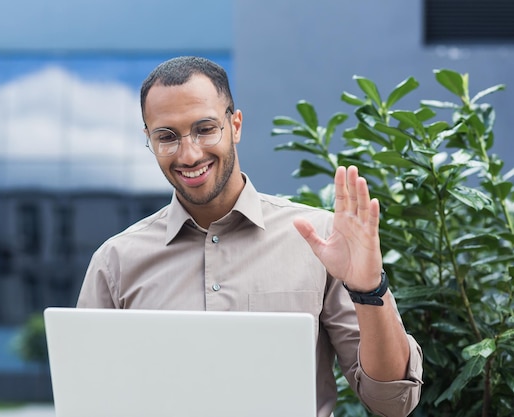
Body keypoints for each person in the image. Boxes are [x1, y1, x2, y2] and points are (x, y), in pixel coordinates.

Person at [76, 56, 423, 417]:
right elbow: (87, 403)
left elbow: (392, 402)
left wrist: (369, 289)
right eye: (166, 137)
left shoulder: (320, 241)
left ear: (235, 125)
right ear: (149, 139)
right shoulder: (115, 262)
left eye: (205, 128)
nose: (189, 153)